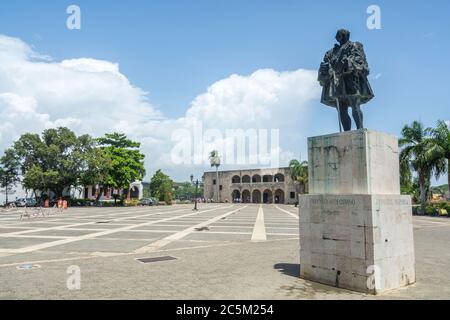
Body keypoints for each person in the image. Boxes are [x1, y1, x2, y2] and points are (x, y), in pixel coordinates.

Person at [318, 29, 375, 131]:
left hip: (351, 81)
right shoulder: (331, 52)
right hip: (337, 83)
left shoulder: (355, 46)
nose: (341, 38)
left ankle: (360, 129)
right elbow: (325, 65)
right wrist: (325, 68)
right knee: (341, 109)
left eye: (343, 35)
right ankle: (346, 132)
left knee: (355, 104)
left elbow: (361, 60)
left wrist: (348, 62)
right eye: (339, 36)